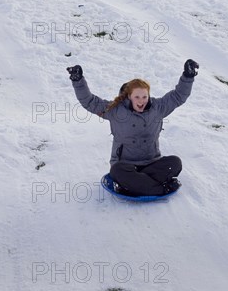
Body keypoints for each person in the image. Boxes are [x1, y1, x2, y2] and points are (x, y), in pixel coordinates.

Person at [67, 59, 199, 196]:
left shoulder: (158, 108)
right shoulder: (115, 110)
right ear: (129, 97)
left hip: (152, 163)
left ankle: (134, 185)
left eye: (144, 96)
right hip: (126, 166)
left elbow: (178, 96)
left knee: (175, 162)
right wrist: (78, 81)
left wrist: (188, 76)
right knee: (116, 171)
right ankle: (159, 189)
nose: (141, 101)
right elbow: (90, 102)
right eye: (137, 97)